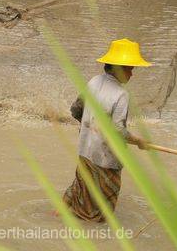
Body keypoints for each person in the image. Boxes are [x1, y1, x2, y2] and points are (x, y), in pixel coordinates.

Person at [63, 38, 150, 222]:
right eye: (129, 69)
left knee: (81, 189)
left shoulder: (94, 81)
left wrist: (89, 129)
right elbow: (118, 131)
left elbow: (76, 109)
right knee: (99, 213)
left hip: (85, 150)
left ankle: (59, 214)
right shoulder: (121, 95)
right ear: (118, 69)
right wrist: (139, 141)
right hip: (105, 160)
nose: (132, 74)